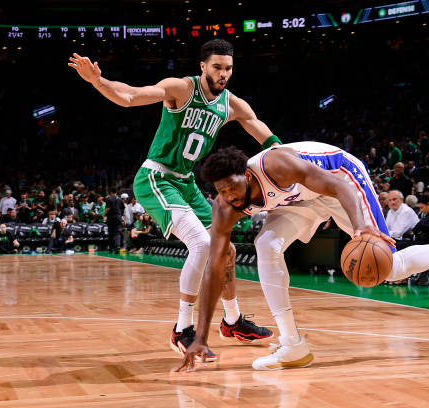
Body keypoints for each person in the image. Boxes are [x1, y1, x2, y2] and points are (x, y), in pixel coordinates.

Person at [178, 142, 429, 371]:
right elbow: (215, 271)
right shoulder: (225, 207)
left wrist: (360, 228)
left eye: (231, 188)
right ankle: (293, 345)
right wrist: (201, 336)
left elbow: (337, 185)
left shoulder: (276, 166)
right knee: (266, 245)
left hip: (341, 178)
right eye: (221, 191)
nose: (228, 197)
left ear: (246, 176)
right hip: (299, 201)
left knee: (390, 268)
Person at [69, 39, 275, 359]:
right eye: (217, 67)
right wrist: (98, 80)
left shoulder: (232, 104)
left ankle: (232, 321)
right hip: (156, 177)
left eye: (229, 68)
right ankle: (182, 330)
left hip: (187, 183)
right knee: (202, 245)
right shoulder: (180, 88)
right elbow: (130, 96)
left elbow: (263, 132)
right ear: (203, 66)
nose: (223, 73)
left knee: (227, 250)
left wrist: (289, 155)